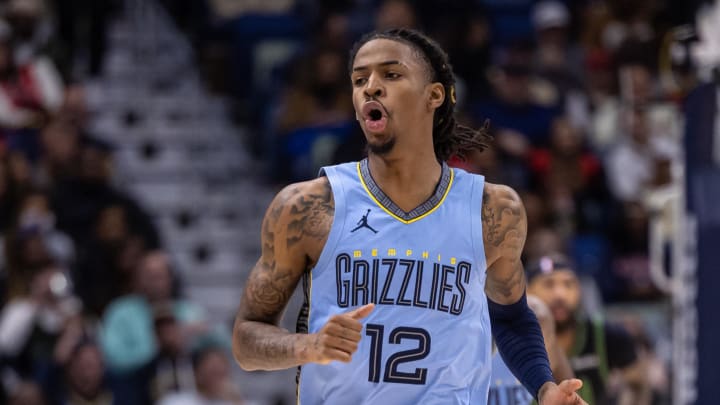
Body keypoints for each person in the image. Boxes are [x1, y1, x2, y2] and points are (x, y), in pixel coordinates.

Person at [232, 28, 586, 404]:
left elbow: (512, 319)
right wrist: (307, 346)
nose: (370, 86)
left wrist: (544, 387)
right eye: (359, 79)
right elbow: (246, 338)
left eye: (391, 74)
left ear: (433, 95)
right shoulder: (310, 206)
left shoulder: (493, 210)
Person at [526, 253, 648, 404]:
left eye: (568, 284)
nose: (560, 294)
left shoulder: (604, 334)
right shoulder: (509, 339)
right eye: (549, 284)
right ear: (527, 291)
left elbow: (638, 383)